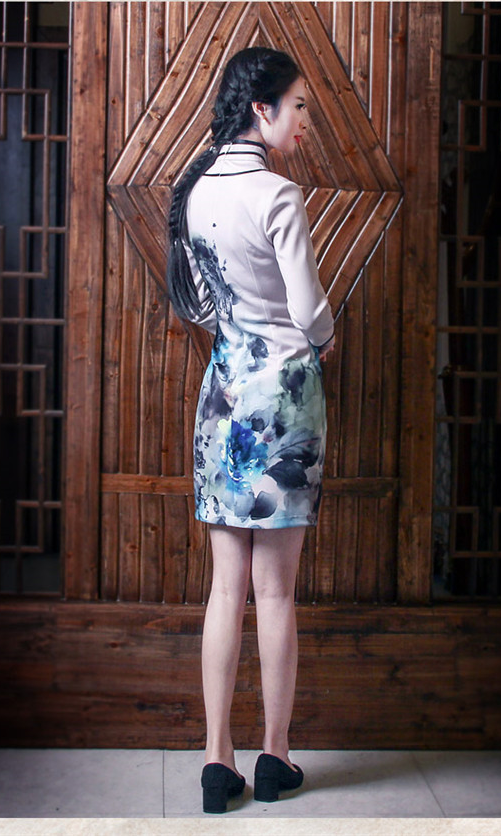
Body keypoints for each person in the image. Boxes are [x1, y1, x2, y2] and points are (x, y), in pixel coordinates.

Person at [166, 46, 336, 814]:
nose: (305, 121)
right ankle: (274, 755)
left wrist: (240, 329)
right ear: (262, 108)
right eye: (298, 106)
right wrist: (323, 338)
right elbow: (308, 309)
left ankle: (215, 759)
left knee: (225, 586)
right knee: (275, 590)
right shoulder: (278, 193)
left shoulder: (196, 189)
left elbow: (199, 306)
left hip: (225, 395)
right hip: (286, 399)